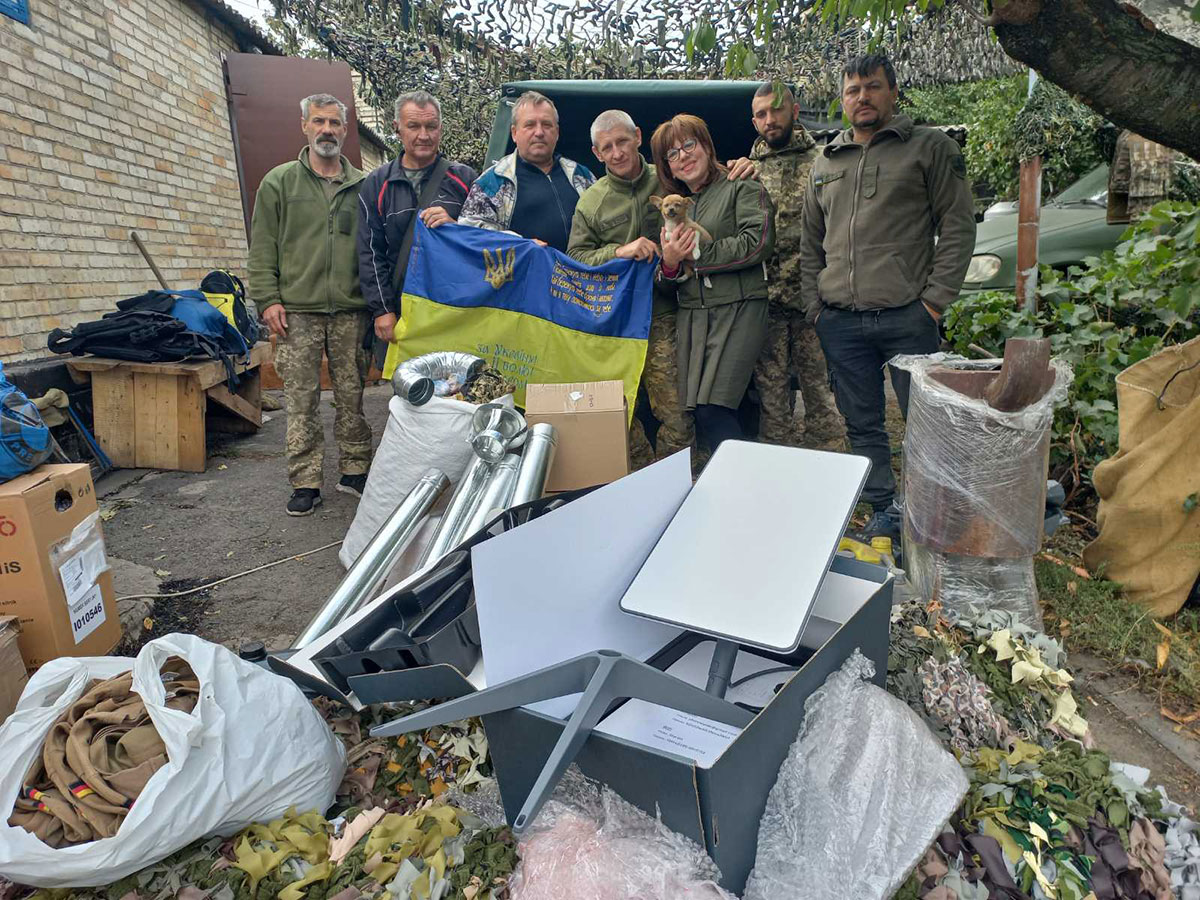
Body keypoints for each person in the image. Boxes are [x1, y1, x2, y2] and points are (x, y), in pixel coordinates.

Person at [800, 54, 976, 541]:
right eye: (853, 90)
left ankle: (934, 512)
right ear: (842, 99)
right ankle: (885, 508)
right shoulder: (826, 162)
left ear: (893, 92)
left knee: (927, 423)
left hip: (908, 316)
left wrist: (935, 301)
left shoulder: (929, 148)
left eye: (873, 87)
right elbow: (809, 243)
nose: (862, 97)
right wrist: (816, 309)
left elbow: (958, 226)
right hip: (840, 321)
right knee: (862, 422)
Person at [248, 93, 371, 517]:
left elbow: (373, 249)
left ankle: (355, 468)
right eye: (318, 121)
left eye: (335, 123)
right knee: (301, 398)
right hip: (296, 311)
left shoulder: (361, 186)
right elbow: (262, 245)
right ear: (304, 126)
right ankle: (305, 480)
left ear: (345, 129)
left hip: (350, 310)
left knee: (352, 394)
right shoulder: (280, 182)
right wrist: (267, 299)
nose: (327, 130)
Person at [567, 110, 695, 468]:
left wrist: (742, 164)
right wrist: (618, 251)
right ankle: (640, 478)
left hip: (665, 314)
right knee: (618, 411)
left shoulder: (671, 180)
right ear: (596, 153)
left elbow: (712, 186)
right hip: (616, 324)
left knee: (678, 411)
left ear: (638, 136)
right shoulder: (592, 201)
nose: (617, 153)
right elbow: (575, 256)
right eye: (607, 147)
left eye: (622, 141)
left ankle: (680, 480)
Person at [651, 114, 775, 453]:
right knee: (702, 411)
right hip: (695, 316)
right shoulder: (674, 208)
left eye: (689, 145)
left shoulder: (741, 184)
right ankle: (736, 486)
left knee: (715, 408)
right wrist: (672, 264)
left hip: (739, 307)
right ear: (668, 168)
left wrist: (696, 254)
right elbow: (667, 279)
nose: (683, 156)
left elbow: (759, 242)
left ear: (706, 146)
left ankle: (744, 490)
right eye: (672, 154)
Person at [745, 82, 844, 452]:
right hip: (766, 303)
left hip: (814, 301)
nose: (770, 120)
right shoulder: (747, 171)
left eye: (777, 110)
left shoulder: (825, 163)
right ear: (754, 121)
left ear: (795, 111)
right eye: (761, 114)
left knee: (819, 389)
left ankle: (832, 467)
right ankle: (777, 466)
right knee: (771, 395)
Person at [358, 91, 478, 353]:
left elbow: (484, 241)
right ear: (397, 129)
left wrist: (458, 226)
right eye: (414, 126)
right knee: (408, 388)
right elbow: (370, 252)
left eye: (431, 126)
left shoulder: (464, 179)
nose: (423, 135)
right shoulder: (377, 184)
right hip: (403, 314)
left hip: (453, 311)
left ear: (440, 129)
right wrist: (383, 310)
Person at [458, 91, 595, 250]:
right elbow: (468, 234)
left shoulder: (582, 176)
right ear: (514, 133)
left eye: (546, 125)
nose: (539, 132)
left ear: (557, 132)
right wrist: (520, 245)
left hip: (578, 273)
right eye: (530, 125)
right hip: (520, 273)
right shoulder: (492, 182)